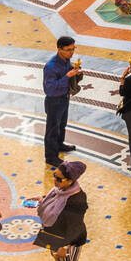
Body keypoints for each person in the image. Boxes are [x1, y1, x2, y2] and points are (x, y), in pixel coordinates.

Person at [30, 160, 89, 261]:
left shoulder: (77, 200)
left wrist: (65, 246)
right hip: (56, 235)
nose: (54, 180)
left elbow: (76, 226)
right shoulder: (61, 190)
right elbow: (57, 202)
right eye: (54, 175)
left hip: (68, 241)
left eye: (58, 179)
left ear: (70, 181)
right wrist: (43, 199)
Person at [42, 37, 83, 167]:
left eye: (73, 49)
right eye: (68, 50)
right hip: (54, 101)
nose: (72, 53)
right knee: (52, 129)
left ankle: (59, 144)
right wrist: (67, 76)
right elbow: (50, 88)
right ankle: (51, 157)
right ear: (59, 49)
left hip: (64, 98)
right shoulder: (51, 66)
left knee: (61, 125)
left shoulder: (66, 61)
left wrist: (76, 73)